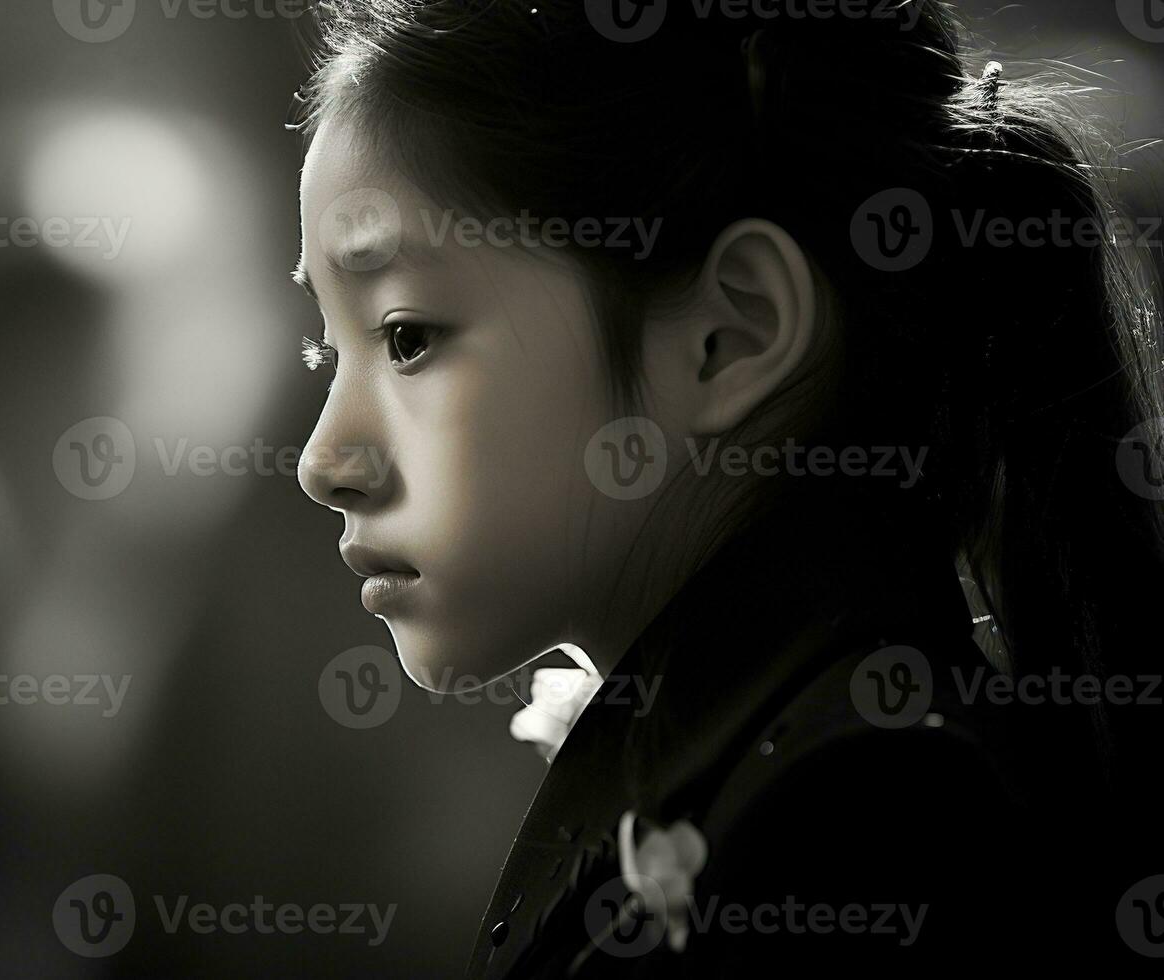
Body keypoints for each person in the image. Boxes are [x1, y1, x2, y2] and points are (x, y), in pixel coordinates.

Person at [290, 1, 1164, 974]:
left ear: (730, 335)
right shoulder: (776, 765)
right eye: (326, 348)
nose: (323, 460)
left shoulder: (853, 836)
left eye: (408, 337)